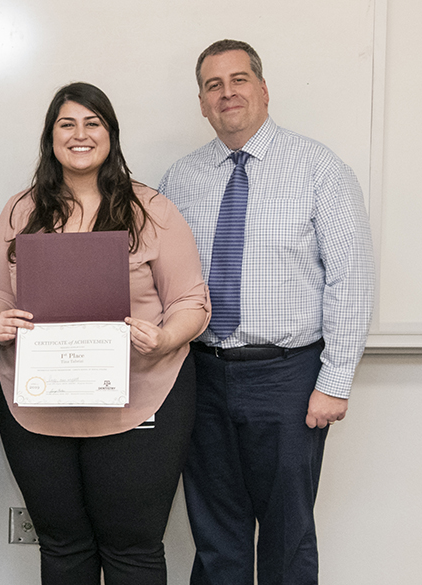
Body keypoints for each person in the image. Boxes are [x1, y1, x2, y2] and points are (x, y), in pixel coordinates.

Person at [159, 39, 375, 585]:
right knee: (215, 536)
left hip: (289, 377)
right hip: (200, 375)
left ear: (263, 89)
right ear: (202, 104)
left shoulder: (318, 168)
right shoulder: (180, 179)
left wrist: (336, 380)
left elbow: (351, 278)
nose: (227, 93)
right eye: (213, 85)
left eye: (238, 80)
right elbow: (156, 275)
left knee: (287, 533)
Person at [0, 82, 210, 585]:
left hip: (140, 405)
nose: (80, 135)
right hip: (38, 409)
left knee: (133, 552)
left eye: (93, 124)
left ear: (110, 135)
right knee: (63, 549)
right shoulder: (20, 212)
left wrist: (166, 336)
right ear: (51, 137)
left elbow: (191, 303)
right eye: (67, 124)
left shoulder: (151, 210)